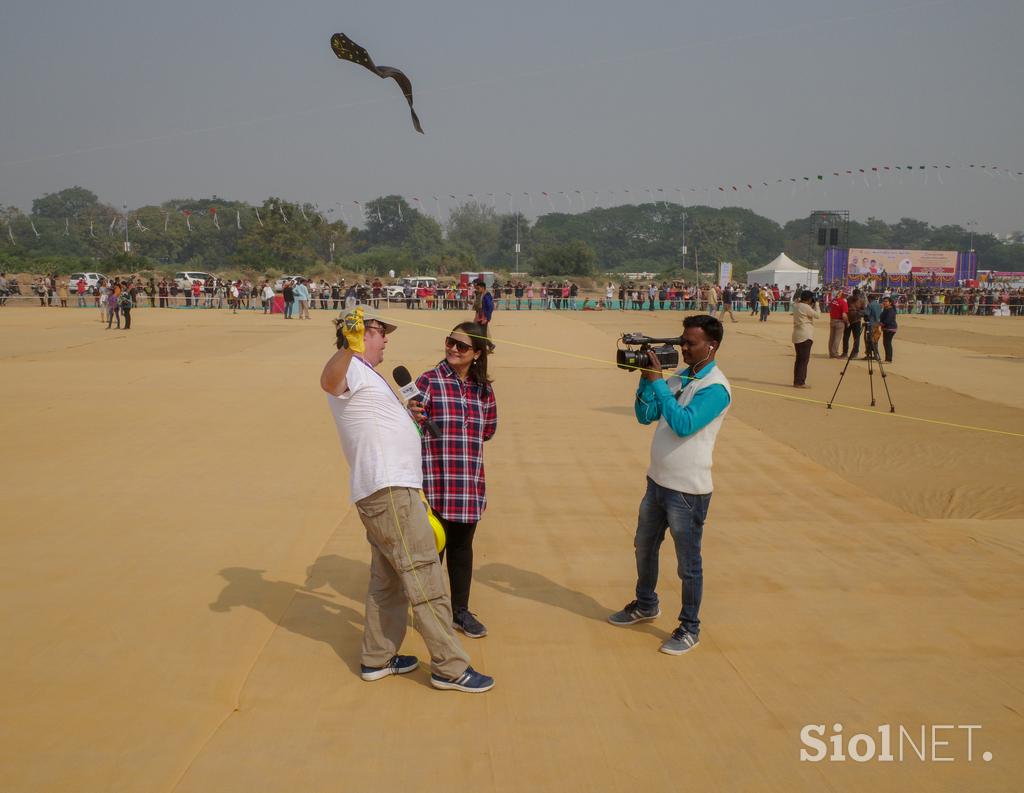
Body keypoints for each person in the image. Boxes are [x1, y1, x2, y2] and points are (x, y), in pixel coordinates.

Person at [320, 308, 494, 693]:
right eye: (382, 333)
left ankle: (377, 658)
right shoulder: (349, 366)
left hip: (393, 488)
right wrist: (348, 347)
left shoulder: (367, 373)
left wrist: (408, 418)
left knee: (388, 581)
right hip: (388, 489)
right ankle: (450, 667)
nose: (386, 340)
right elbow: (328, 381)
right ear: (363, 335)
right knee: (424, 574)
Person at [609, 315, 731, 655]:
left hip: (688, 490)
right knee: (643, 546)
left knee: (687, 564)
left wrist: (660, 383)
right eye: (683, 341)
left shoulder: (716, 388)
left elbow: (682, 423)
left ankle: (690, 627)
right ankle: (646, 603)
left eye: (691, 344)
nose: (685, 349)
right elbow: (645, 415)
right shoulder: (680, 376)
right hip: (657, 481)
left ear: (712, 345)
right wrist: (646, 383)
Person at [407, 322, 497, 638]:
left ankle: (460, 611)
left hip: (468, 484)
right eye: (450, 342)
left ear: (476, 353)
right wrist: (412, 415)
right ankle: (429, 612)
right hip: (434, 484)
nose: (453, 349)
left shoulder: (484, 390)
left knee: (462, 550)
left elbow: (488, 429)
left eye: (461, 346)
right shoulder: (428, 381)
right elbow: (412, 424)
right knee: (432, 553)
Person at [791, 289, 819, 388]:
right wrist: (817, 305)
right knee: (804, 360)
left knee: (799, 359)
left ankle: (797, 380)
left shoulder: (796, 305)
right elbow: (817, 315)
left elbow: (796, 302)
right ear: (809, 299)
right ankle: (800, 382)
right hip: (805, 335)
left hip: (797, 334)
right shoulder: (806, 307)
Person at [472, 279, 495, 351]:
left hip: (483, 317)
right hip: (479, 316)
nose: (477, 289)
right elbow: (478, 305)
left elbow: (490, 307)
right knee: (480, 333)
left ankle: (489, 346)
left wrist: (487, 318)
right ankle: (489, 346)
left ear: (482, 287)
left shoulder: (486, 295)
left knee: (482, 334)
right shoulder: (480, 294)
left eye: (478, 288)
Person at [842, 289, 864, 358]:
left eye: (857, 295)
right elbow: (845, 308)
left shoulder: (862, 300)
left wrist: (858, 312)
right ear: (853, 294)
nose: (856, 296)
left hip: (857, 321)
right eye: (855, 295)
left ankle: (855, 353)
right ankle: (845, 353)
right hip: (848, 321)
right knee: (845, 337)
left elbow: (864, 310)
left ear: (859, 295)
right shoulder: (849, 299)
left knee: (856, 338)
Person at [828, 290, 848, 358]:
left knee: (832, 338)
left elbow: (829, 307)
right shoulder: (843, 302)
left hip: (832, 320)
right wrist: (847, 322)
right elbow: (844, 315)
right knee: (837, 338)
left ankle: (831, 353)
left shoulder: (834, 301)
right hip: (840, 321)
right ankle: (834, 353)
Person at [863, 293, 882, 360]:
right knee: (875, 340)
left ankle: (868, 354)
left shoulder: (870, 305)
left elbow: (866, 313)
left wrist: (862, 311)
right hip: (877, 324)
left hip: (870, 324)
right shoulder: (878, 305)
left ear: (869, 299)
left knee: (869, 340)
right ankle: (876, 355)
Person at [880, 296, 898, 363]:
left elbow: (888, 320)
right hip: (886, 328)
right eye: (884, 301)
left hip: (890, 328)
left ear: (890, 303)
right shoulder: (885, 309)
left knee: (887, 343)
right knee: (886, 343)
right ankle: (888, 359)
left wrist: (880, 324)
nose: (884, 302)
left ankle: (888, 359)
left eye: (886, 301)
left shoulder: (891, 310)